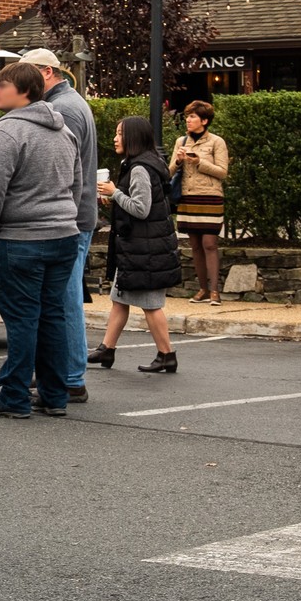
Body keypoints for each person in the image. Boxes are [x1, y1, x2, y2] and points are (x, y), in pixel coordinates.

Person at [0, 61, 82, 418]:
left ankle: (14, 396)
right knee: (53, 316)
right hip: (64, 234)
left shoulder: (7, 132)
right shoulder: (63, 130)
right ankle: (54, 395)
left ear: (23, 91)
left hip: (20, 238)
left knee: (22, 318)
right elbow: (77, 184)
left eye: (3, 84)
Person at [22, 48, 98, 403]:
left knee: (65, 300)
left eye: (29, 74)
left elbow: (63, 169)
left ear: (47, 72)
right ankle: (64, 372)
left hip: (70, 217)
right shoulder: (72, 101)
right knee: (63, 298)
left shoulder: (63, 108)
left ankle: (70, 376)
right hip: (75, 214)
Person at [90, 116, 181, 374]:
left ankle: (167, 354)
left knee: (151, 304)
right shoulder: (141, 163)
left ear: (133, 137)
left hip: (145, 250)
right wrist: (116, 199)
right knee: (119, 299)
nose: (115, 138)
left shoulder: (140, 168)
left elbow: (141, 209)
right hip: (137, 247)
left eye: (120, 133)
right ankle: (107, 349)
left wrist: (114, 193)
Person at [171, 100, 230, 306]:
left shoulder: (216, 142)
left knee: (209, 243)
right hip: (187, 197)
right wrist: (178, 161)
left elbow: (223, 172)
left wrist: (199, 162)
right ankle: (202, 289)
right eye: (187, 116)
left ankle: (215, 291)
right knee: (195, 245)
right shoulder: (181, 142)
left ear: (204, 121)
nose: (188, 120)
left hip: (210, 196)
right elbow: (169, 171)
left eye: (193, 116)